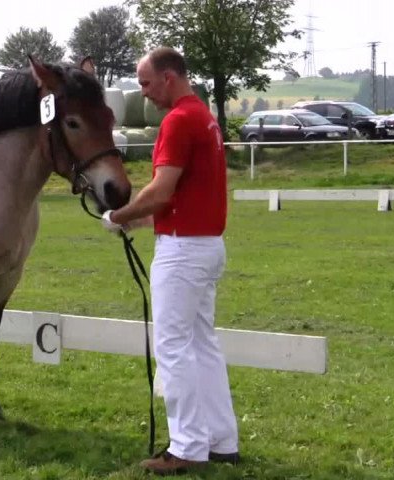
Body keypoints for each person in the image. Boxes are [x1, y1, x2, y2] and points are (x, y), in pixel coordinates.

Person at [100, 47, 239, 476]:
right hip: (205, 245)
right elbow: (181, 196)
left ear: (169, 77)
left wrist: (119, 216)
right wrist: (139, 221)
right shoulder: (205, 117)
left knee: (174, 348)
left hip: (182, 252)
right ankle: (220, 440)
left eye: (145, 83)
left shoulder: (178, 121)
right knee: (201, 345)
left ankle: (187, 447)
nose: (143, 93)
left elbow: (161, 191)